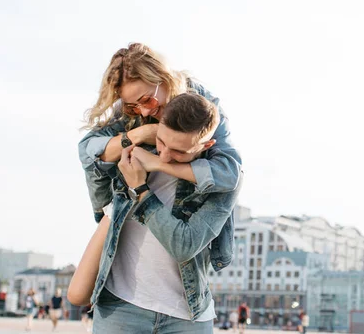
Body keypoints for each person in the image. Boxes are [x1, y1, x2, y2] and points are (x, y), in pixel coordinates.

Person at [70, 92, 243, 333]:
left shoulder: (222, 181)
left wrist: (142, 190)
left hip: (188, 317)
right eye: (161, 142)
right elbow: (90, 157)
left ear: (206, 145)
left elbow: (184, 245)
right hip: (121, 308)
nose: (164, 154)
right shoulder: (134, 156)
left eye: (178, 152)